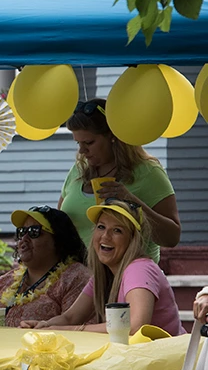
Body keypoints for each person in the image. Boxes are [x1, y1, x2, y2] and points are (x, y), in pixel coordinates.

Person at [25, 201, 185, 336]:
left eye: (117, 230)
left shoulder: (139, 269)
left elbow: (135, 326)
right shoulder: (104, 274)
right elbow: (70, 318)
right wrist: (44, 326)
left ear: (132, 239)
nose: (105, 236)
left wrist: (72, 330)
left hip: (170, 361)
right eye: (101, 227)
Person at [59, 98, 179, 262]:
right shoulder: (78, 170)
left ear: (112, 136)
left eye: (89, 142)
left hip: (130, 274)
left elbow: (172, 238)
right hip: (82, 274)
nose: (82, 151)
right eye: (78, 143)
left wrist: (131, 202)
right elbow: (60, 226)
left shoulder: (148, 172)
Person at [0, 205, 90, 328]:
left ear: (59, 240)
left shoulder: (76, 278)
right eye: (21, 231)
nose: (24, 238)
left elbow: (76, 329)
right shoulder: (1, 283)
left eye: (34, 232)